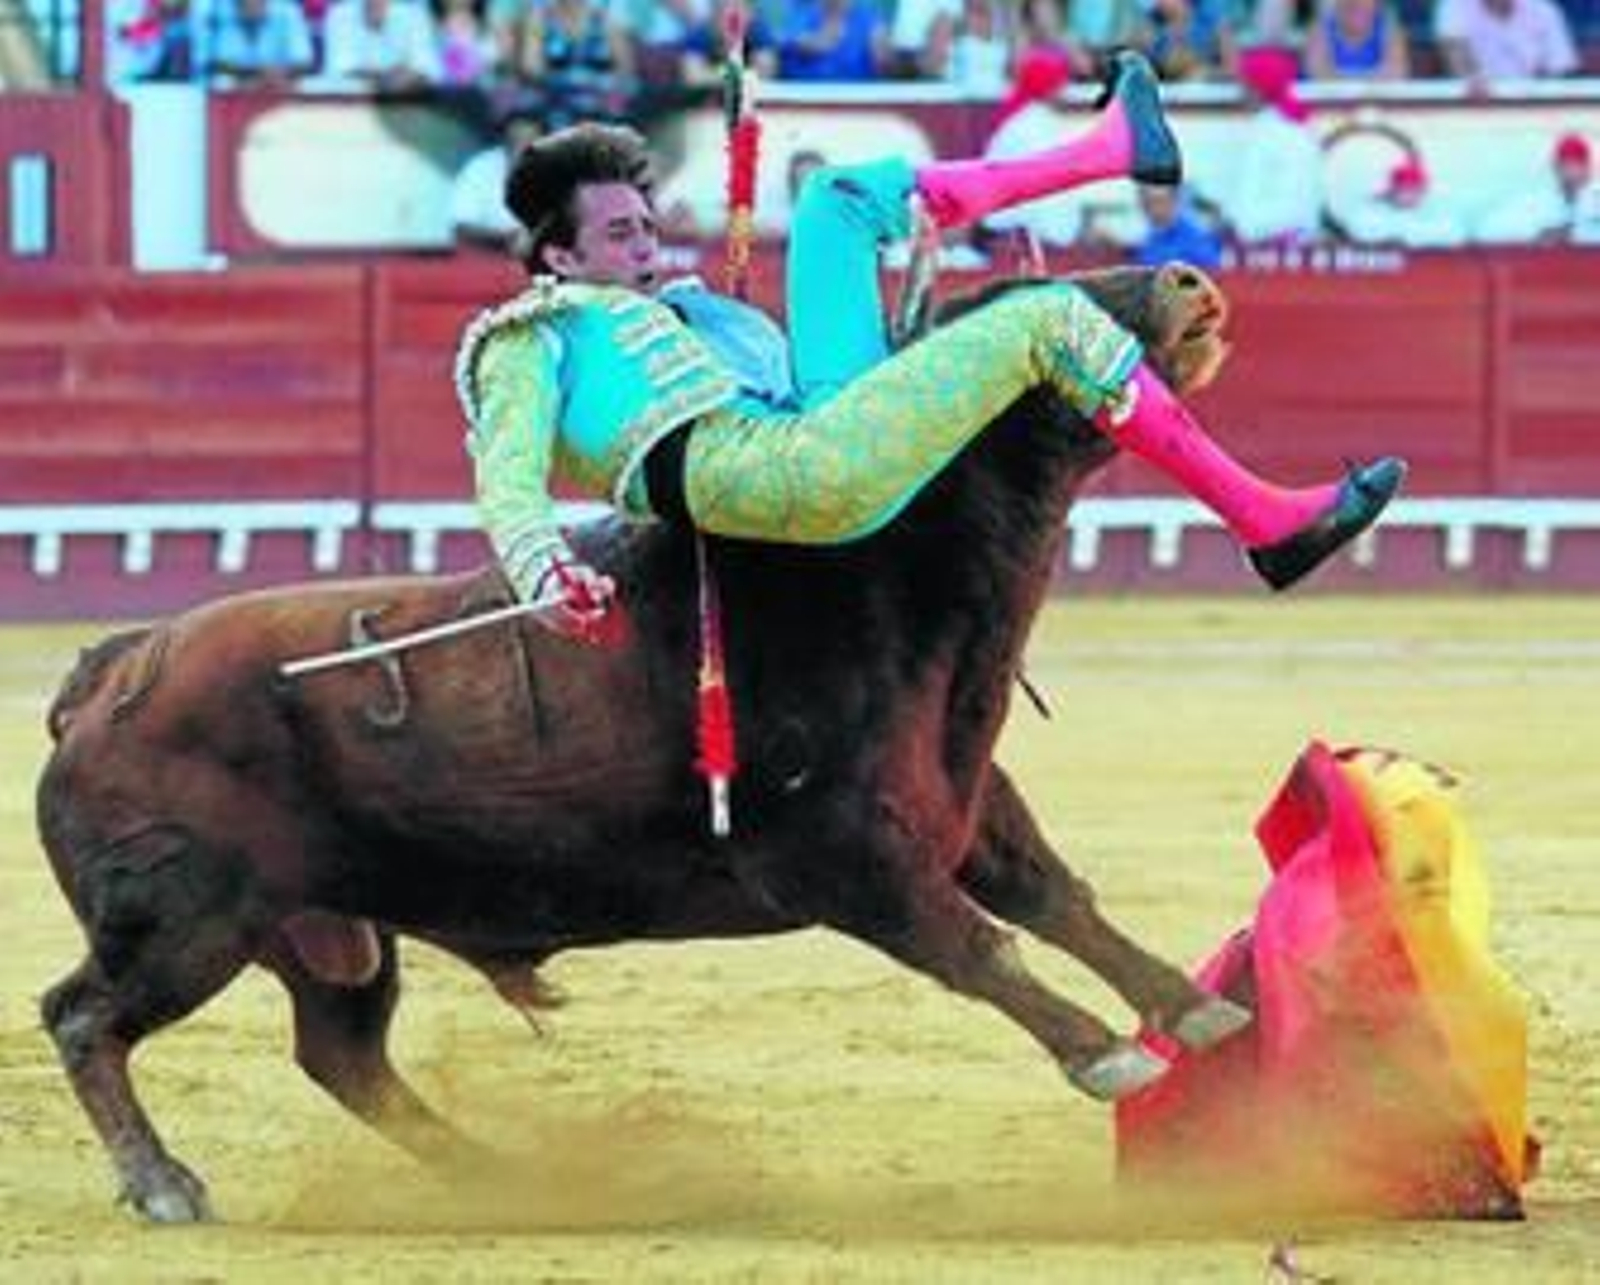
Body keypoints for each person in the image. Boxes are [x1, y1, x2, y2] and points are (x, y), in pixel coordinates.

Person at [456, 52, 1405, 637]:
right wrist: (544, 571)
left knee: (838, 200)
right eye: (619, 236)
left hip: (812, 428)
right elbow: (506, 473)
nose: (648, 246)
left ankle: (1114, 147)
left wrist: (906, 334)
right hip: (791, 474)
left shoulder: (687, 310)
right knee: (1042, 321)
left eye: (646, 223)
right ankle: (1265, 523)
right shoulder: (527, 337)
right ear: (556, 254)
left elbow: (815, 381)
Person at [1220, 46, 1325, 248]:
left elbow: (1246, 200)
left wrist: (1231, 225)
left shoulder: (1266, 131)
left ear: (1259, 89)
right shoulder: (1298, 126)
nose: (1240, 92)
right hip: (1301, 236)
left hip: (1270, 241)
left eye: (1245, 84)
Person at [1475, 131, 1600, 244]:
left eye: (1578, 164)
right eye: (1566, 164)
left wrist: (1571, 234)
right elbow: (1493, 233)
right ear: (1556, 168)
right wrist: (1540, 237)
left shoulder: (1596, 200)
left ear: (1588, 168)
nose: (1572, 171)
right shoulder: (1541, 203)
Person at [1435, 0, 1579, 85]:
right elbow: (1460, 67)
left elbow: (1561, 74)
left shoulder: (1544, 10)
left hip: (1536, 110)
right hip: (1475, 110)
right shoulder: (1453, 6)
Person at [1341, 155, 1468, 248]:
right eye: (1404, 188)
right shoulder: (1371, 207)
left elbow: (1455, 234)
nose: (1410, 194)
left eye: (1415, 189)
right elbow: (1361, 232)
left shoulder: (1436, 206)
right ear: (1392, 188)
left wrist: (1406, 234)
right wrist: (1414, 232)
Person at [1304, 0, 1411, 80]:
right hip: (1332, 107)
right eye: (1351, 5)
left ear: (1377, 4)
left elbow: (1397, 75)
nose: (1358, 3)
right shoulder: (1321, 29)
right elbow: (1317, 75)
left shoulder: (1389, 29)